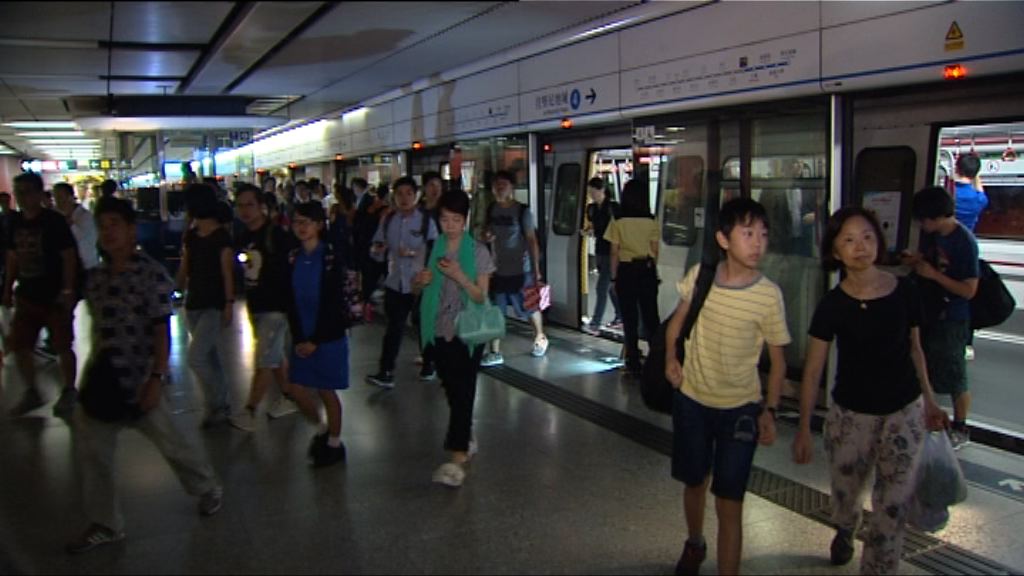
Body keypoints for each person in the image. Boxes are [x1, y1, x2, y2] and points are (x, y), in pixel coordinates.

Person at [793, 206, 948, 574]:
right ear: (835, 251)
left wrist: (929, 399)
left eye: (867, 237)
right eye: (848, 240)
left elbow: (915, 348)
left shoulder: (905, 291)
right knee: (846, 494)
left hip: (902, 412)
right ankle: (846, 526)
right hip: (851, 415)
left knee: (891, 510)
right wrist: (802, 428)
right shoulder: (832, 305)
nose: (860, 246)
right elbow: (814, 369)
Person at [65, 197, 222, 554]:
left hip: (139, 379)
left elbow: (160, 330)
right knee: (95, 453)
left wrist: (156, 377)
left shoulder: (149, 274)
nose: (108, 233)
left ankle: (207, 486)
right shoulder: (97, 279)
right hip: (104, 379)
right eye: (103, 226)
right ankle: (106, 521)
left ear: (131, 230)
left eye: (114, 225)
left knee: (173, 443)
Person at [663, 197, 791, 576]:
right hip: (692, 400)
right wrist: (671, 356)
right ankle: (695, 541)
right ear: (723, 239)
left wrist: (770, 410)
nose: (758, 243)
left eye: (763, 235)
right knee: (694, 481)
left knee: (730, 500)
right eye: (748, 234)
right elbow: (677, 320)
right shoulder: (701, 278)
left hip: (741, 410)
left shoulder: (768, 295)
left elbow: (779, 362)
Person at [412, 188, 494, 488]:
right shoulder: (432, 247)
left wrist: (459, 275)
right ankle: (465, 433)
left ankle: (458, 457)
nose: (450, 225)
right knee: (451, 386)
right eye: (445, 219)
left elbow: (480, 296)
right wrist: (419, 283)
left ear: (466, 219)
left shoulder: (479, 252)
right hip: (438, 327)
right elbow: (417, 290)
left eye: (456, 219)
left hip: (469, 330)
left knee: (464, 388)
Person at [229, 185, 322, 432]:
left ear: (262, 206)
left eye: (250, 204)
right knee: (274, 354)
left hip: (276, 305)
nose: (245, 211)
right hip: (256, 303)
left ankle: (250, 409)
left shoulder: (277, 235)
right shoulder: (242, 236)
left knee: (266, 357)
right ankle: (289, 396)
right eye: (240, 205)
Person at [902, 186, 979, 450]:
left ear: (935, 217)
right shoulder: (931, 236)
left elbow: (969, 290)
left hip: (953, 316)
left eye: (924, 219)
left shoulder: (964, 242)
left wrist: (934, 275)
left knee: (956, 373)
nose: (922, 224)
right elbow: (929, 261)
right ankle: (929, 418)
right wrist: (917, 261)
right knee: (925, 364)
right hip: (931, 311)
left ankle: (961, 427)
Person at [3, 172, 79, 417]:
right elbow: (13, 257)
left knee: (62, 345)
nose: (21, 198)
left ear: (38, 193)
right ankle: (32, 391)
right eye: (18, 193)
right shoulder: (15, 223)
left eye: (26, 192)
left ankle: (69, 390)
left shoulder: (53, 222)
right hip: (27, 294)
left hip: (54, 294)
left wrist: (67, 290)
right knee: (19, 344)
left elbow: (68, 256)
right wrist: (8, 288)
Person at [285, 202, 351, 467]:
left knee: (326, 390)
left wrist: (315, 340)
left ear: (319, 225)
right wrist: (300, 337)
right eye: (297, 222)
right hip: (303, 331)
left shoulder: (331, 257)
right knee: (296, 388)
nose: (301, 227)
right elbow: (289, 299)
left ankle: (334, 442)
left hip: (328, 335)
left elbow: (334, 302)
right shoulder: (292, 258)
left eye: (307, 222)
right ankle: (322, 428)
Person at [365, 176, 438, 388]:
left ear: (416, 196)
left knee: (423, 325)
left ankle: (429, 363)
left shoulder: (426, 221)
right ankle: (386, 371)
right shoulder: (388, 220)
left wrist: (414, 253)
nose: (404, 198)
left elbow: (435, 252)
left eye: (409, 193)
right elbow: (377, 247)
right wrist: (377, 251)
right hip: (395, 282)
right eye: (399, 194)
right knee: (393, 328)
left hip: (420, 283)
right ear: (393, 197)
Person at [175, 184, 235, 428]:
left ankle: (217, 404)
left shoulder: (221, 236)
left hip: (214, 303)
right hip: (194, 302)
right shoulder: (191, 235)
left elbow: (227, 272)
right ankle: (218, 405)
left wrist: (229, 303)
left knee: (196, 356)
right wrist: (176, 288)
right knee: (209, 356)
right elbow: (185, 266)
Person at [479, 170, 547, 366]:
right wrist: (486, 237)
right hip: (498, 269)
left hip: (521, 268)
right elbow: (485, 233)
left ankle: (540, 337)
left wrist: (536, 270)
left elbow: (532, 240)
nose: (499, 189)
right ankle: (495, 351)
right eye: (496, 186)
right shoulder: (491, 209)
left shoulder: (522, 211)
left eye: (503, 185)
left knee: (529, 307)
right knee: (496, 310)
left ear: (512, 188)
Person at [605, 179, 659, 375]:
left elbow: (614, 252)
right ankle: (657, 360)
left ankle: (633, 362)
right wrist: (651, 267)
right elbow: (655, 250)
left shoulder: (618, 221)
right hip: (646, 270)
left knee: (630, 319)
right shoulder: (652, 220)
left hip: (626, 271)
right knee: (651, 317)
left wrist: (613, 278)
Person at [951, 153, 988, 361]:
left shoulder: (949, 194)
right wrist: (976, 175)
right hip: (970, 251)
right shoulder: (978, 200)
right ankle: (966, 343)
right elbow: (980, 190)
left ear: (956, 168)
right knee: (967, 298)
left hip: (948, 251)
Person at [583, 177, 622, 334]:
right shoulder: (591, 209)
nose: (591, 194)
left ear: (602, 190)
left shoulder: (613, 208)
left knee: (601, 287)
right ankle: (620, 316)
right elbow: (593, 227)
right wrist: (588, 232)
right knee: (611, 287)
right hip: (600, 250)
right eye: (590, 192)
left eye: (594, 191)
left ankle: (595, 322)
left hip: (612, 252)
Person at [53, 182, 100, 274]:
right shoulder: (56, 216)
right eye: (55, 197)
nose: (57, 201)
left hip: (86, 267)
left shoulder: (85, 216)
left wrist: (67, 221)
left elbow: (79, 239)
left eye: (60, 197)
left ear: (70, 197)